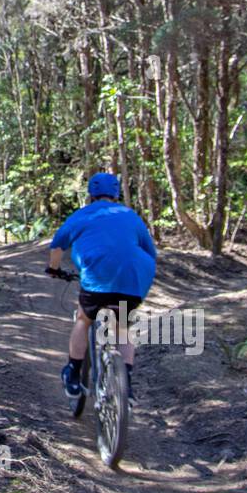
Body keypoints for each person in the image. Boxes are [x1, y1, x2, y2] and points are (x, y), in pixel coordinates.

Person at [45, 172, 156, 402]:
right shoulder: (131, 215)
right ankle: (126, 385)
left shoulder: (82, 214)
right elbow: (150, 252)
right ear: (116, 193)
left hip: (97, 278)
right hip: (132, 279)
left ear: (91, 193)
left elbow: (57, 246)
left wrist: (54, 269)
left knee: (83, 319)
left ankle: (73, 374)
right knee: (123, 328)